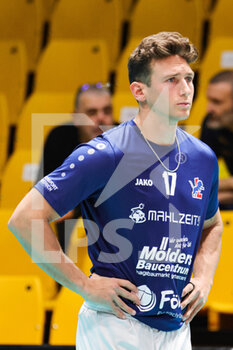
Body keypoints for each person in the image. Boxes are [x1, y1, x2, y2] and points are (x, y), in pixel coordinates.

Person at [8, 32, 223, 350]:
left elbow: (213, 224)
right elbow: (25, 219)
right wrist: (83, 286)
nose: (186, 89)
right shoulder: (105, 153)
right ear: (140, 90)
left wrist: (204, 279)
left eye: (189, 78)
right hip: (115, 325)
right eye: (171, 80)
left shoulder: (203, 158)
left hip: (177, 328)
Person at [36, 83, 114, 249]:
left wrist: (72, 204)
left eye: (107, 111)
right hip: (68, 232)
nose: (101, 118)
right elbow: (42, 197)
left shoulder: (124, 138)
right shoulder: (58, 138)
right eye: (92, 112)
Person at [200, 70, 233, 209]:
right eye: (209, 100)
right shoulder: (212, 123)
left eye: (217, 102)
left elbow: (203, 185)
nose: (209, 109)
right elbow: (201, 174)